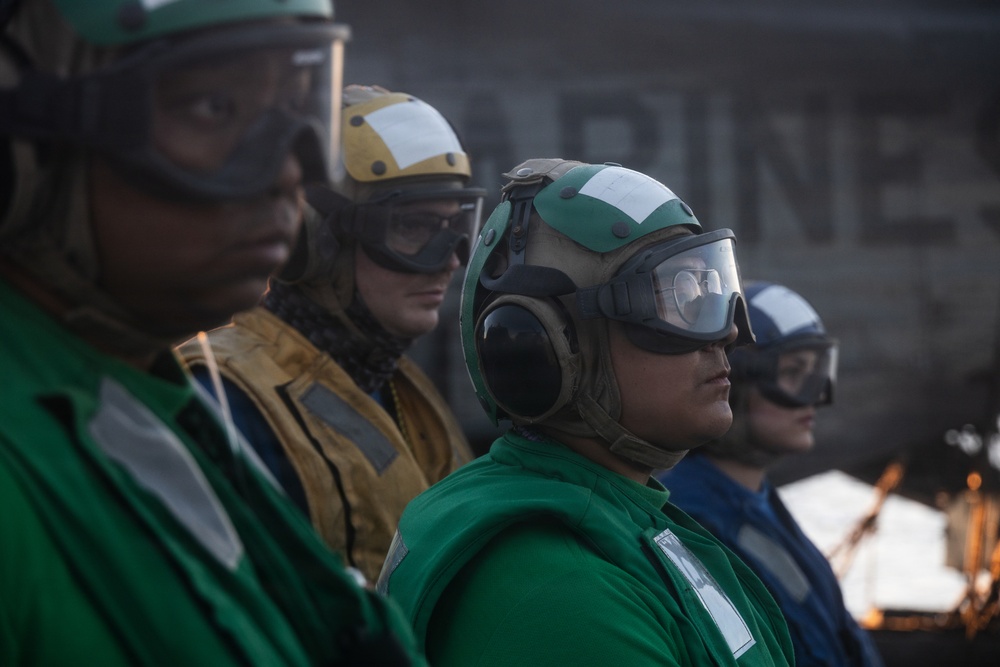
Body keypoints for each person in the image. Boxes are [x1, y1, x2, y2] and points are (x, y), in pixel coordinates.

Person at [0, 2, 425, 664]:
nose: (291, 172)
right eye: (212, 108)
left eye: (293, 107)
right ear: (19, 149)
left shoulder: (147, 399)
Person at [377, 158, 795, 666]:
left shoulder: (622, 515)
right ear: (546, 348)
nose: (728, 333)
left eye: (707, 287)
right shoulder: (556, 590)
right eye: (676, 295)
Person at [177, 84, 482, 582]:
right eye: (414, 227)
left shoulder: (396, 383)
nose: (450, 260)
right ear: (312, 239)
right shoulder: (222, 404)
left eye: (455, 225)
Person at [657, 281, 885, 667]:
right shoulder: (693, 522)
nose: (813, 397)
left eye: (816, 373)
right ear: (733, 382)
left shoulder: (755, 500)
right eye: (794, 372)